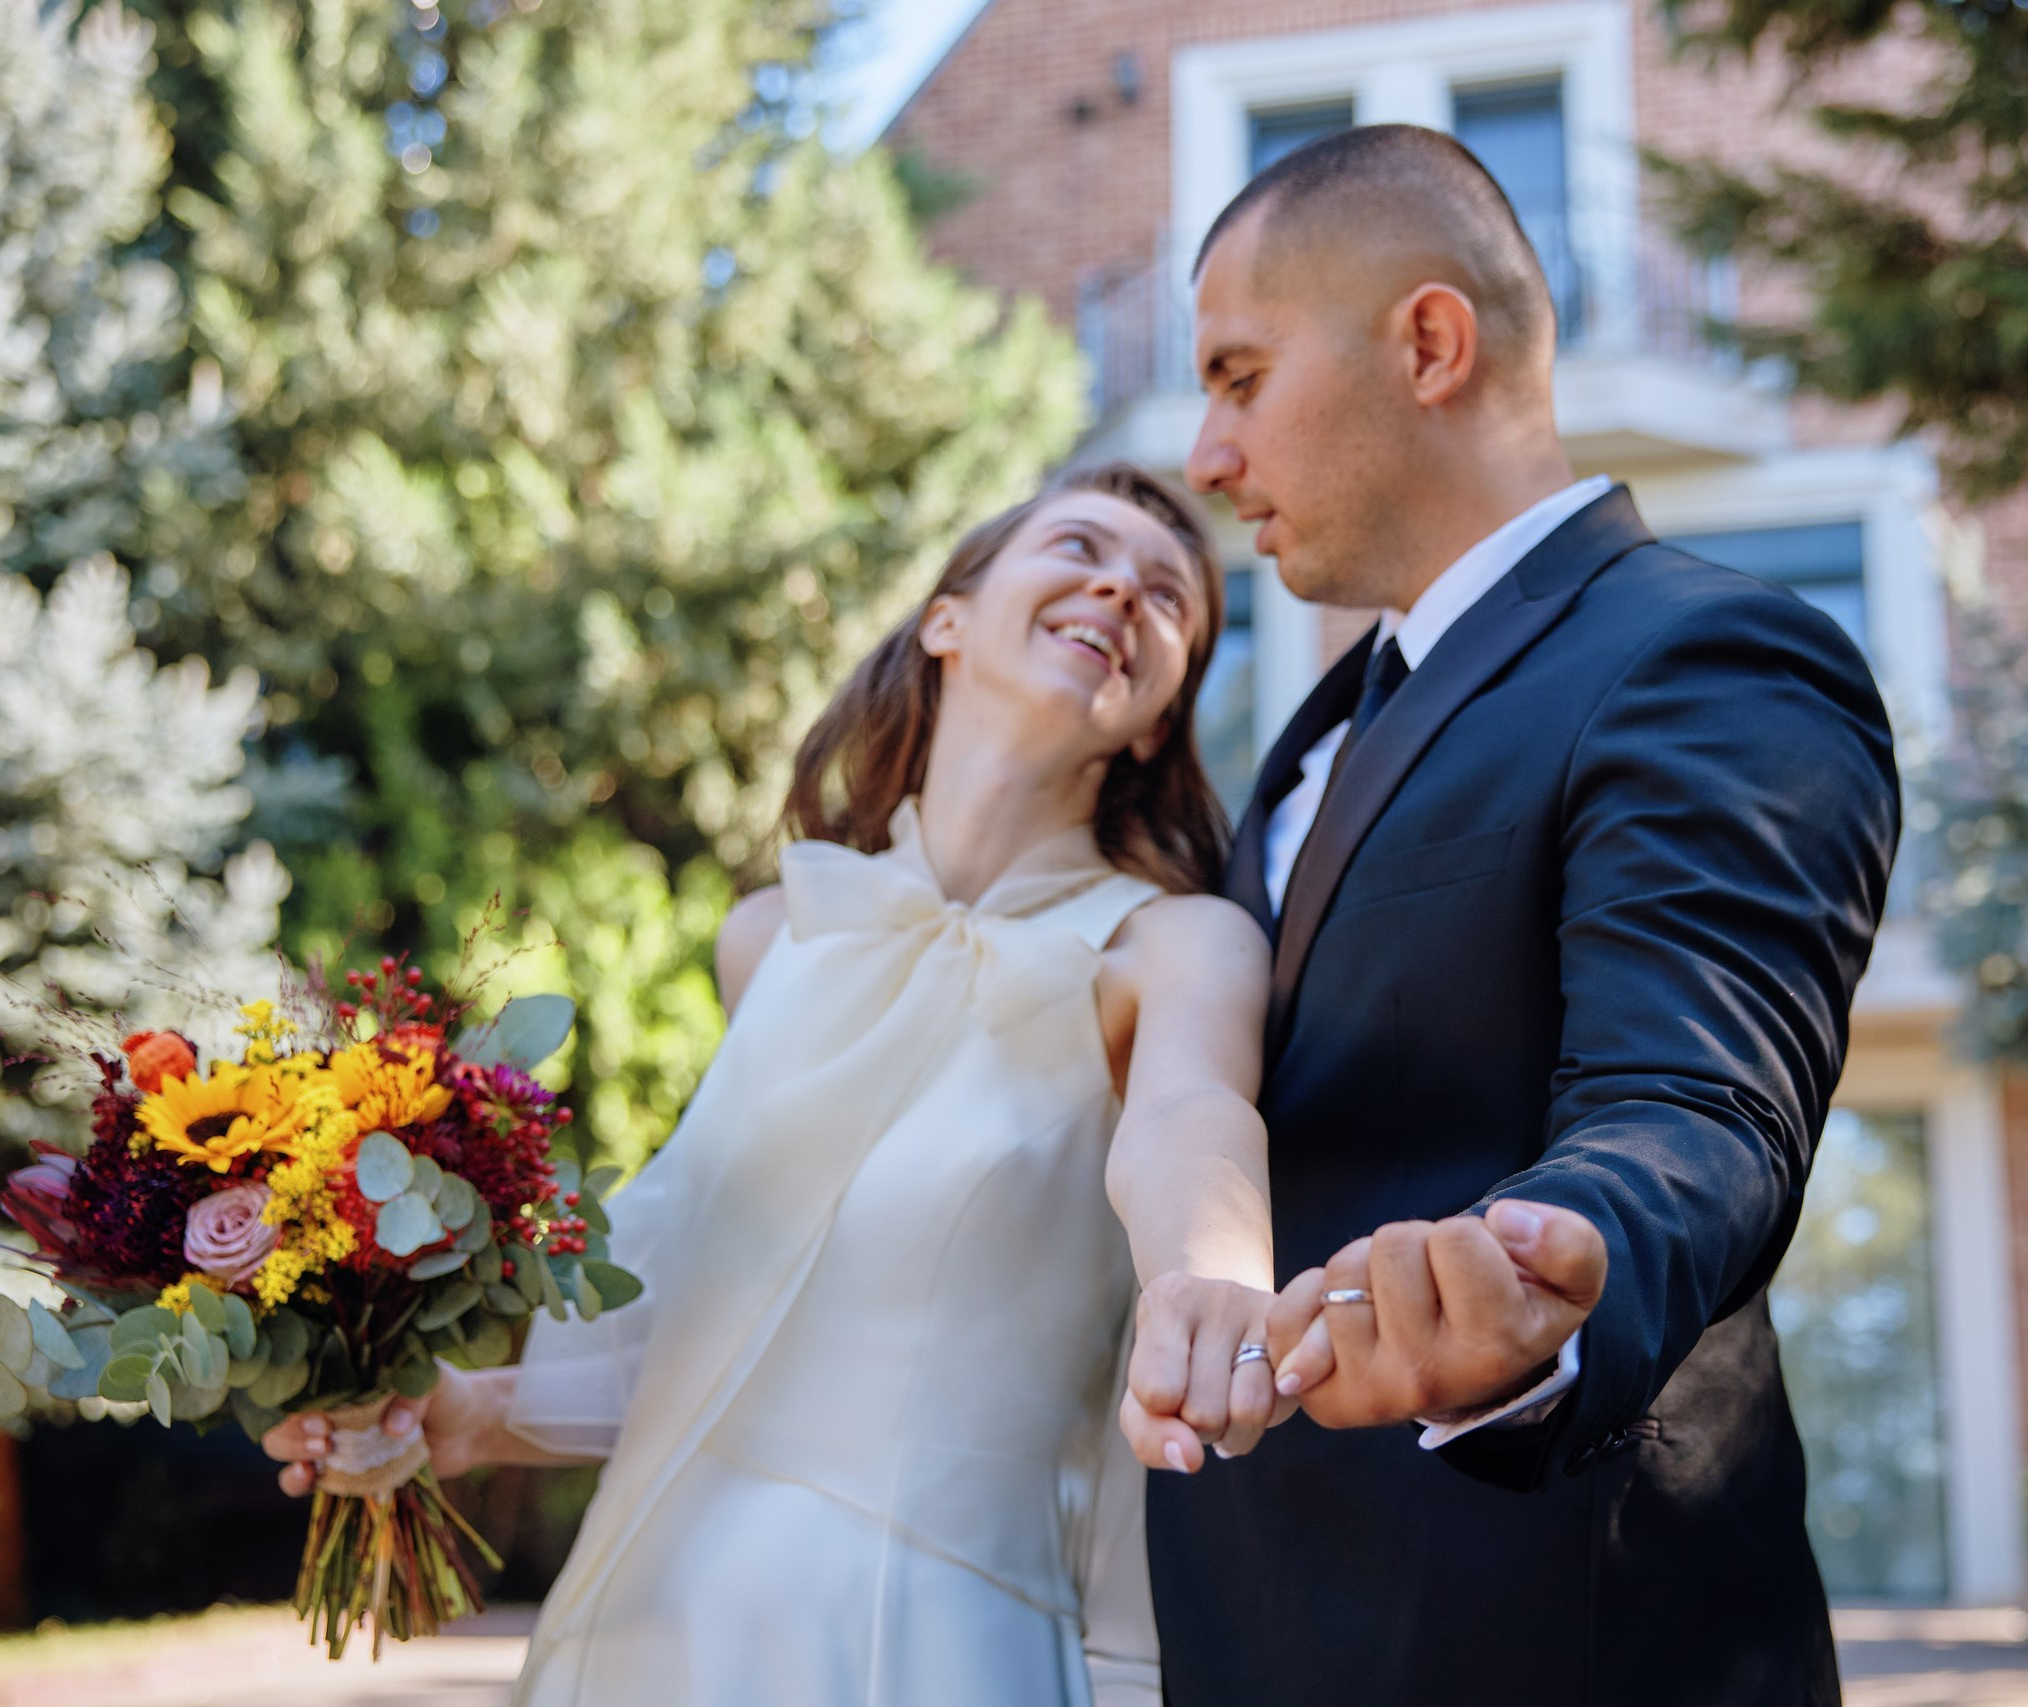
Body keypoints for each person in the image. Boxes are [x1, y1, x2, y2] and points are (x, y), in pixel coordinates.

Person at [263, 463, 1286, 1707]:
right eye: (1079, 546)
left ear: (1152, 721)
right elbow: (707, 1302)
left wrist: (1216, 1271)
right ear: (945, 620)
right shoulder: (774, 938)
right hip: (650, 1615)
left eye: (1171, 597)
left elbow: (1191, 1117)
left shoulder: (1175, 945)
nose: (1122, 587)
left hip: (934, 1637)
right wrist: (463, 1413)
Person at [1137, 125, 1902, 1706]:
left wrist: (1551, 1281)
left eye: (1238, 373)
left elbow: (1695, 1100)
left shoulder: (1707, 653)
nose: (1207, 457)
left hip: (1553, 1633)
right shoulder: (1321, 721)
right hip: (1255, 1632)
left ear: (1428, 340)